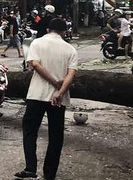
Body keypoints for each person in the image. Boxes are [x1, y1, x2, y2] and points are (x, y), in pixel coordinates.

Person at [14, 17, 78, 180]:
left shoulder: (37, 43)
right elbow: (71, 74)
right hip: (58, 99)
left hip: (37, 94)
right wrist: (60, 90)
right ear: (64, 32)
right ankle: (49, 174)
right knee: (56, 136)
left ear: (49, 29)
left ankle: (30, 168)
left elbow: (34, 64)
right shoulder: (70, 49)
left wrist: (52, 82)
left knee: (30, 131)